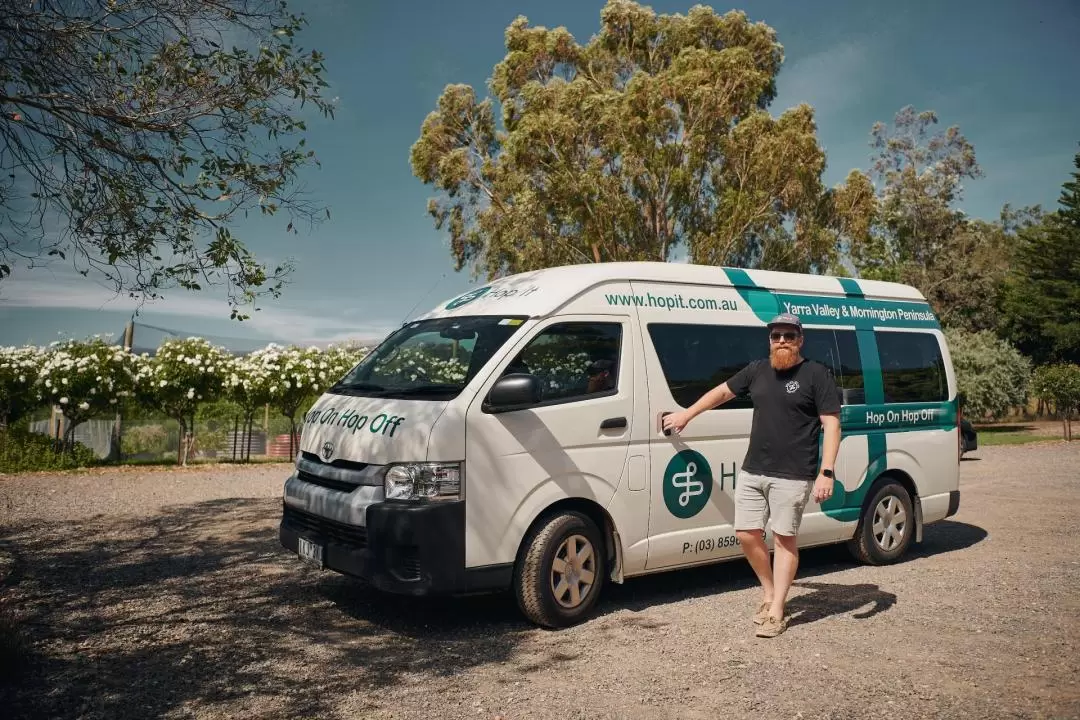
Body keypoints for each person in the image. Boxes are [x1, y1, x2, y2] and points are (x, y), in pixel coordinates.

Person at [662, 313, 841, 638]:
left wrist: (826, 471)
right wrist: (687, 414)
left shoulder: (816, 374)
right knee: (746, 533)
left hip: (794, 473)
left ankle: (776, 611)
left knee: (785, 539)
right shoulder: (757, 370)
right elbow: (722, 393)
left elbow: (831, 424)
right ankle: (770, 591)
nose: (782, 340)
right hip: (753, 470)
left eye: (789, 335)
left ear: (800, 339)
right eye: (776, 335)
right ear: (769, 340)